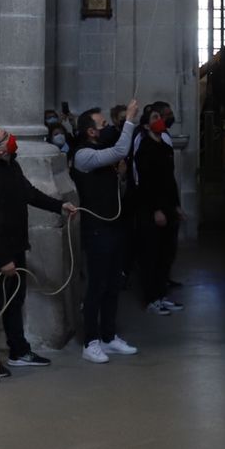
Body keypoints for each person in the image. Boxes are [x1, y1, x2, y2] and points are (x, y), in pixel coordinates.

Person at [0, 126, 76, 378]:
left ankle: (18, 351)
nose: (11, 138)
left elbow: (29, 193)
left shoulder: (11, 166)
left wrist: (60, 206)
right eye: (6, 137)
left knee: (15, 300)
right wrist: (3, 259)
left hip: (16, 245)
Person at [72, 102, 140, 364]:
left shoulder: (100, 151)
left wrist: (120, 177)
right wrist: (130, 120)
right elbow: (122, 148)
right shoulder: (83, 155)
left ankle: (109, 337)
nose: (108, 128)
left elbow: (114, 190)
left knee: (113, 284)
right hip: (97, 229)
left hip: (113, 226)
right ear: (90, 132)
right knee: (97, 286)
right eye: (103, 125)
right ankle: (91, 342)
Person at [131, 101, 184, 315]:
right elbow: (145, 183)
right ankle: (151, 298)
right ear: (146, 126)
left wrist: (176, 206)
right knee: (151, 256)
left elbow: (169, 180)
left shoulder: (164, 146)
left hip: (168, 207)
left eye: (159, 118)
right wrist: (156, 210)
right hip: (151, 210)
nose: (159, 121)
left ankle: (162, 295)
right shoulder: (144, 148)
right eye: (154, 118)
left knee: (165, 255)